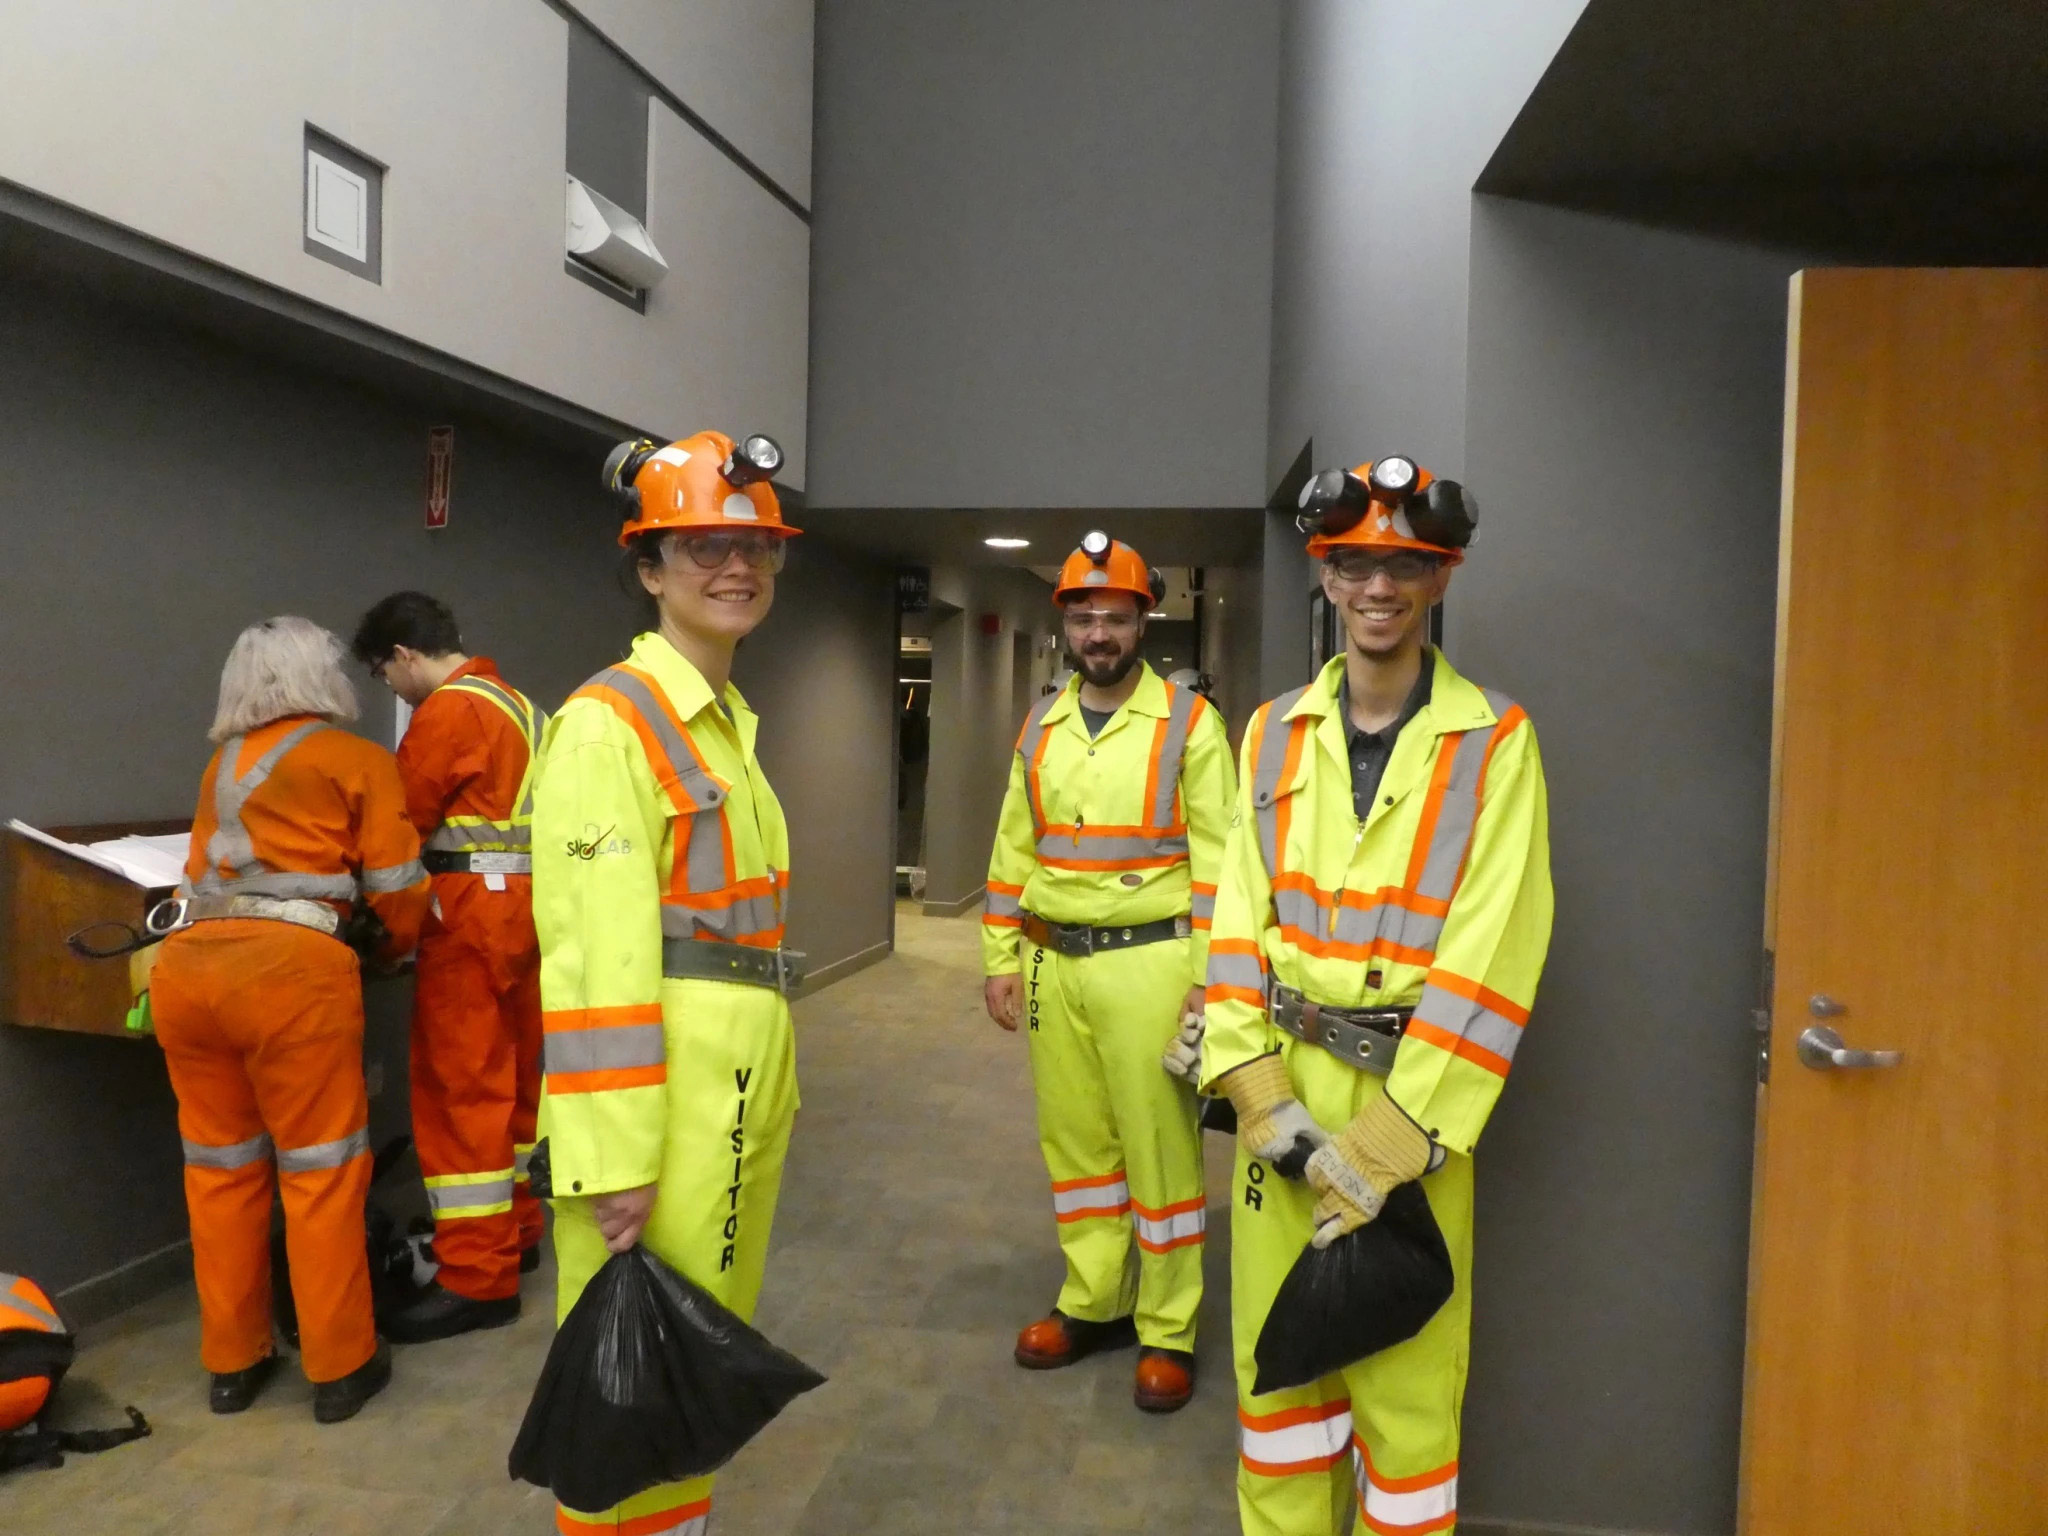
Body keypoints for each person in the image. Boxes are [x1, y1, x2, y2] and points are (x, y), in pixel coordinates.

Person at [1197, 456, 1553, 1535]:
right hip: (1283, 1105)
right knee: (1279, 1397)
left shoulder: (1494, 742)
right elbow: (1232, 918)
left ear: (1439, 579)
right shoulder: (1268, 733)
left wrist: (1396, 1142)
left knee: (1403, 1413)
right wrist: (1252, 1089)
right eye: (1355, 564)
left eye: (1404, 564)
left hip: (1414, 1108)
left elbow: (1495, 952)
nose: (1378, 587)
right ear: (1326, 575)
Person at [530, 430, 800, 1536]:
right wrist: (610, 1161)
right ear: (647, 569)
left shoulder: (726, 723)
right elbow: (593, 959)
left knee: (689, 1357)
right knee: (632, 1381)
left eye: (753, 547)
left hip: (727, 1082)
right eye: (699, 547)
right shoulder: (609, 724)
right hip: (665, 1100)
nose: (733, 568)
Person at [148, 616, 429, 1422]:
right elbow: (399, 886)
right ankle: (340, 1369)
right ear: (321, 677)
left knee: (221, 1171)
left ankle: (232, 1365)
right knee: (321, 1171)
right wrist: (390, 949)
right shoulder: (357, 760)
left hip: (189, 971)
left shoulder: (221, 765)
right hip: (290, 976)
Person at [982, 532, 1236, 1413]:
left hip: (1150, 963)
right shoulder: (1041, 723)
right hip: (1053, 960)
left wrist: (1209, 982)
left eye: (1115, 617)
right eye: (1085, 615)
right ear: (1066, 625)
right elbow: (1015, 844)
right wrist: (999, 957)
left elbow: (1220, 863)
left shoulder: (1189, 723)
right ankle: (1095, 1301)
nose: (1099, 631)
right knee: (1078, 1147)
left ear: (1144, 622)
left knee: (1159, 1149)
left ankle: (1168, 1327)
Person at [350, 592, 547, 1341]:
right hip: (526, 913)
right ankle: (516, 1234)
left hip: (465, 917)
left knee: (460, 1093)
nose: (391, 691)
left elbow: (400, 822)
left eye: (383, 675)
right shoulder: (523, 707)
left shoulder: (449, 713)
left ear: (403, 655)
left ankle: (477, 1277)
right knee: (516, 1091)